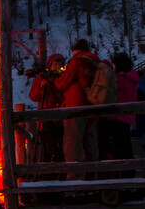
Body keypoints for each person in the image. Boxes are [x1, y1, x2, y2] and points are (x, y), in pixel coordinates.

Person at [53, 39, 100, 176]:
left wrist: (56, 78)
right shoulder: (95, 62)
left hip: (75, 106)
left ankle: (74, 177)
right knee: (90, 141)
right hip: (92, 104)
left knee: (72, 142)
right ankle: (93, 175)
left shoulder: (76, 62)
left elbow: (62, 84)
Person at [28, 53, 65, 164]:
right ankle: (49, 170)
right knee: (48, 146)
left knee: (61, 146)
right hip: (46, 118)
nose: (58, 66)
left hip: (61, 118)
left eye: (60, 64)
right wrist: (41, 87)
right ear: (50, 65)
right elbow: (33, 96)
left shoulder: (64, 77)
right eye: (56, 63)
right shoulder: (41, 78)